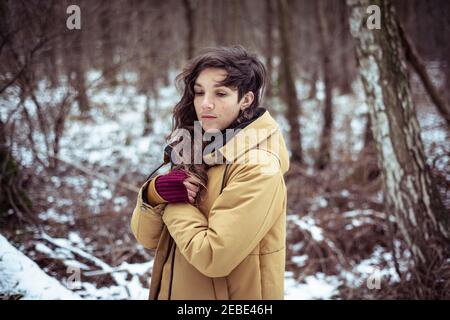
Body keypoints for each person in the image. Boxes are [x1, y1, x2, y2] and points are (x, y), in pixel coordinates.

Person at [130, 45, 289, 300]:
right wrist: (155, 193)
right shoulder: (195, 150)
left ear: (246, 99)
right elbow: (147, 238)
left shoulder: (258, 167)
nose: (205, 103)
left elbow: (213, 257)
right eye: (199, 92)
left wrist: (173, 206)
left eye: (221, 93)